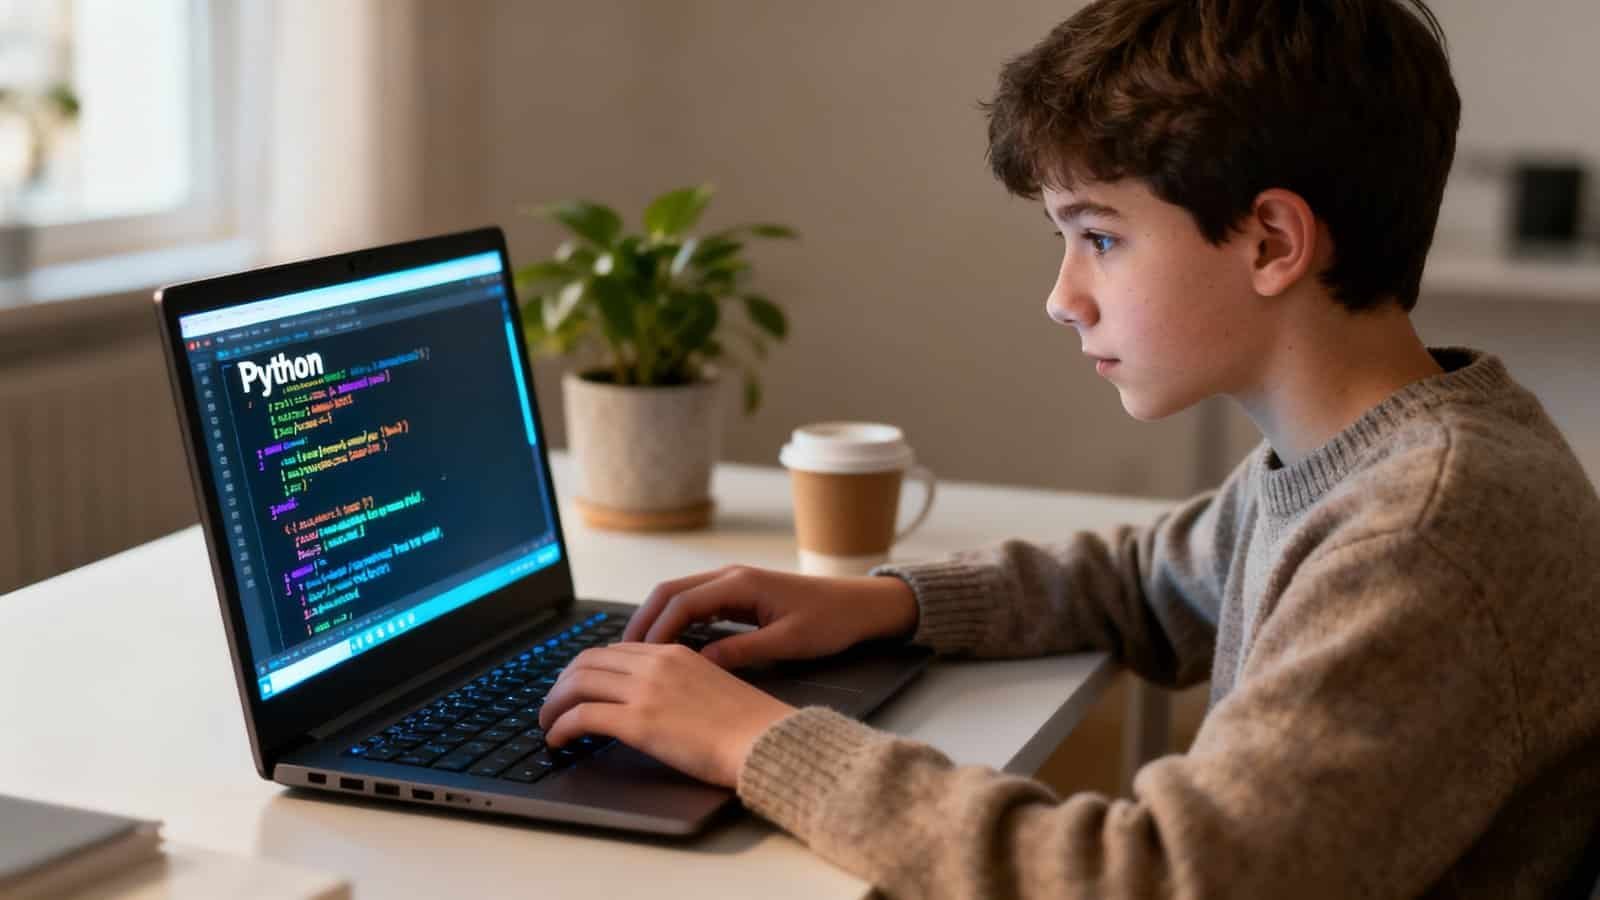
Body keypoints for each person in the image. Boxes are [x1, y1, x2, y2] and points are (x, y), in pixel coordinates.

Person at [536, 0, 1600, 895]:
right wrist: (885, 603)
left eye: (1100, 237)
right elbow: (1146, 583)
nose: (1062, 297)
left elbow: (1153, 878)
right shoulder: (1366, 452)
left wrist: (754, 742)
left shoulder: (1422, 531)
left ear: (1272, 241)